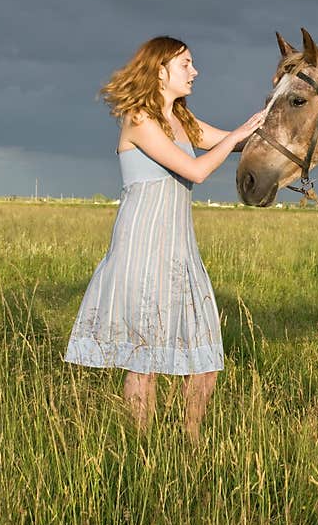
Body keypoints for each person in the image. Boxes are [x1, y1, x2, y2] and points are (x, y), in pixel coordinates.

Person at [64, 36, 266, 442]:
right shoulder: (140, 119)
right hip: (142, 246)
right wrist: (237, 134)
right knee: (145, 359)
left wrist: (274, 122)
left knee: (206, 356)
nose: (195, 72)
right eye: (186, 64)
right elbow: (195, 171)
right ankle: (142, 450)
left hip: (180, 248)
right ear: (160, 70)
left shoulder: (184, 120)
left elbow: (237, 139)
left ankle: (190, 441)